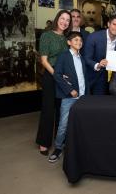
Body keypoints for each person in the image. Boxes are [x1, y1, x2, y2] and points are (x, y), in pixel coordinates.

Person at [36, 10, 72, 156]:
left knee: (61, 110)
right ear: (57, 19)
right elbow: (44, 60)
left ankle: (59, 140)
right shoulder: (47, 35)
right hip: (51, 76)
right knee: (48, 109)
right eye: (62, 18)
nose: (64, 22)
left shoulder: (67, 38)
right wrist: (57, 75)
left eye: (67, 20)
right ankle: (44, 142)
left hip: (64, 78)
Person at [48, 31, 88, 163]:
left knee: (80, 123)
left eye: (80, 40)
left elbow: (83, 77)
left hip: (82, 96)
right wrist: (70, 90)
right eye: (75, 40)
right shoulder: (64, 56)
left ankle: (77, 146)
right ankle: (58, 148)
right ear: (69, 42)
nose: (79, 42)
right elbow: (57, 75)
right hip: (69, 97)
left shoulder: (81, 58)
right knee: (64, 124)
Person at [83, 14, 116, 95]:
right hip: (95, 77)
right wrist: (98, 65)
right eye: (114, 24)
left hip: (112, 80)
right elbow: (86, 58)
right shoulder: (93, 37)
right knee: (96, 104)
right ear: (108, 24)